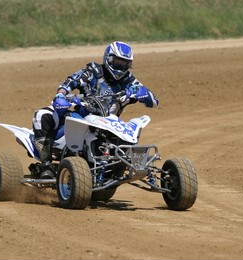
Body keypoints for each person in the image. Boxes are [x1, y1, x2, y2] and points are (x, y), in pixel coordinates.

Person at [32, 41, 159, 178]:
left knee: (133, 130)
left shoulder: (128, 80)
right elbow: (70, 82)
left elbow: (153, 101)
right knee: (42, 114)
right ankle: (46, 165)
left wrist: (143, 93)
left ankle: (135, 165)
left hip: (110, 123)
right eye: (117, 62)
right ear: (108, 58)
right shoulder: (93, 72)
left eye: (125, 64)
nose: (121, 67)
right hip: (83, 118)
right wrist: (61, 95)